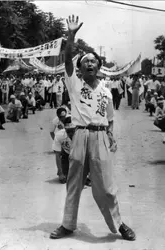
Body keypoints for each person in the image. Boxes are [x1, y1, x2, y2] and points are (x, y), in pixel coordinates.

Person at [50, 15, 136, 241]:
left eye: (93, 60)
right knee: (73, 183)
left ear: (99, 66)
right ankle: (67, 225)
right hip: (79, 135)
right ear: (79, 67)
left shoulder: (107, 91)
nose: (89, 63)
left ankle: (119, 224)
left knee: (106, 186)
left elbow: (110, 118)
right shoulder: (74, 83)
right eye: (85, 61)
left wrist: (110, 135)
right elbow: (67, 59)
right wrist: (71, 35)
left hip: (99, 138)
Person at [50, 107, 67, 182]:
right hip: (59, 138)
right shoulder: (55, 121)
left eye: (64, 117)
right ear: (57, 116)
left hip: (68, 139)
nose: (63, 119)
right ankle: (60, 173)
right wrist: (55, 141)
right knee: (58, 155)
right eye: (61, 117)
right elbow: (51, 132)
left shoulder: (70, 118)